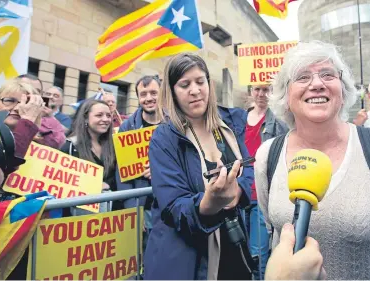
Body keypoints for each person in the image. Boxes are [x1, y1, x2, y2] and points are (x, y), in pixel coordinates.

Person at [255, 41, 370, 279]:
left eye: (327, 74)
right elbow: (272, 229)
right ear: (285, 95)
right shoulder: (267, 155)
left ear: (343, 88)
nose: (317, 84)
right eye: (302, 77)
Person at [144, 53, 254, 280]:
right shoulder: (164, 138)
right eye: (184, 85)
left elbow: (246, 167)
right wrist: (208, 203)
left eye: (199, 81)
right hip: (186, 261)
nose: (194, 90)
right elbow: (173, 206)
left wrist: (237, 192)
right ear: (172, 91)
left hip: (232, 250)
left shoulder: (229, 124)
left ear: (209, 84)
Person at [243, 83, 289, 279]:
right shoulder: (238, 118)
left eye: (266, 89)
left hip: (261, 197)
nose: (261, 94)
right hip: (239, 195)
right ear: (251, 90)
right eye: (257, 89)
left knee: (258, 255)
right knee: (241, 253)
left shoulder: (278, 122)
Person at [115, 75, 161, 255]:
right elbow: (122, 173)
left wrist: (160, 170)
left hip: (172, 201)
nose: (148, 98)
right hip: (144, 206)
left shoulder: (174, 122)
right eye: (143, 94)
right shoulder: (128, 127)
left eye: (153, 93)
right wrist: (132, 210)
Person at [60, 99, 117, 214]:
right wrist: (93, 185)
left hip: (110, 218)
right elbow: (61, 183)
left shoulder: (115, 145)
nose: (105, 119)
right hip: (78, 217)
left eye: (108, 115)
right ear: (86, 118)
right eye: (99, 115)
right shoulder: (70, 147)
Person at [16, 75, 66, 149]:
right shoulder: (3, 108)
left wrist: (49, 118)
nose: (31, 94)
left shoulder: (44, 117)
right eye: (25, 89)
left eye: (36, 91)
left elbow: (56, 142)